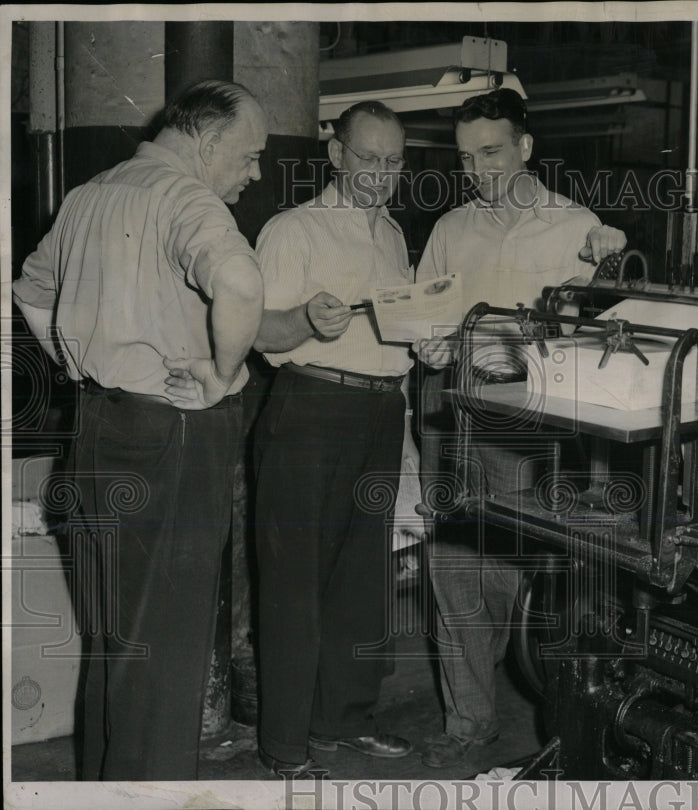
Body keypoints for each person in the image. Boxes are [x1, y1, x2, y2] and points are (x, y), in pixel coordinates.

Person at [11, 79, 268, 781]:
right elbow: (242, 284)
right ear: (208, 142)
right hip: (173, 438)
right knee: (166, 658)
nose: (255, 172)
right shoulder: (188, 199)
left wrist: (74, 363)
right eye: (248, 156)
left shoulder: (90, 193)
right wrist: (221, 373)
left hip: (96, 428)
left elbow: (30, 291)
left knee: (115, 644)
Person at [414, 87, 627, 768]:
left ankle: (538, 707)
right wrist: (427, 343)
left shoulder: (576, 228)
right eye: (467, 157)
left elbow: (603, 335)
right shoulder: (450, 228)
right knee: (452, 567)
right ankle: (467, 723)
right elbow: (426, 316)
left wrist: (614, 259)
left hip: (527, 422)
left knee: (513, 569)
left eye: (492, 152)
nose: (479, 169)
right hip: (450, 407)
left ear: (525, 148)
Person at [251, 100, 417, 777]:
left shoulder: (394, 237)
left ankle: (342, 721)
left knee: (361, 582)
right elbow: (260, 334)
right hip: (310, 408)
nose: (381, 172)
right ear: (337, 155)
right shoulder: (293, 231)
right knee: (294, 587)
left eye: (394, 160)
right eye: (369, 157)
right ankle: (286, 746)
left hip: (381, 412)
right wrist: (301, 320)